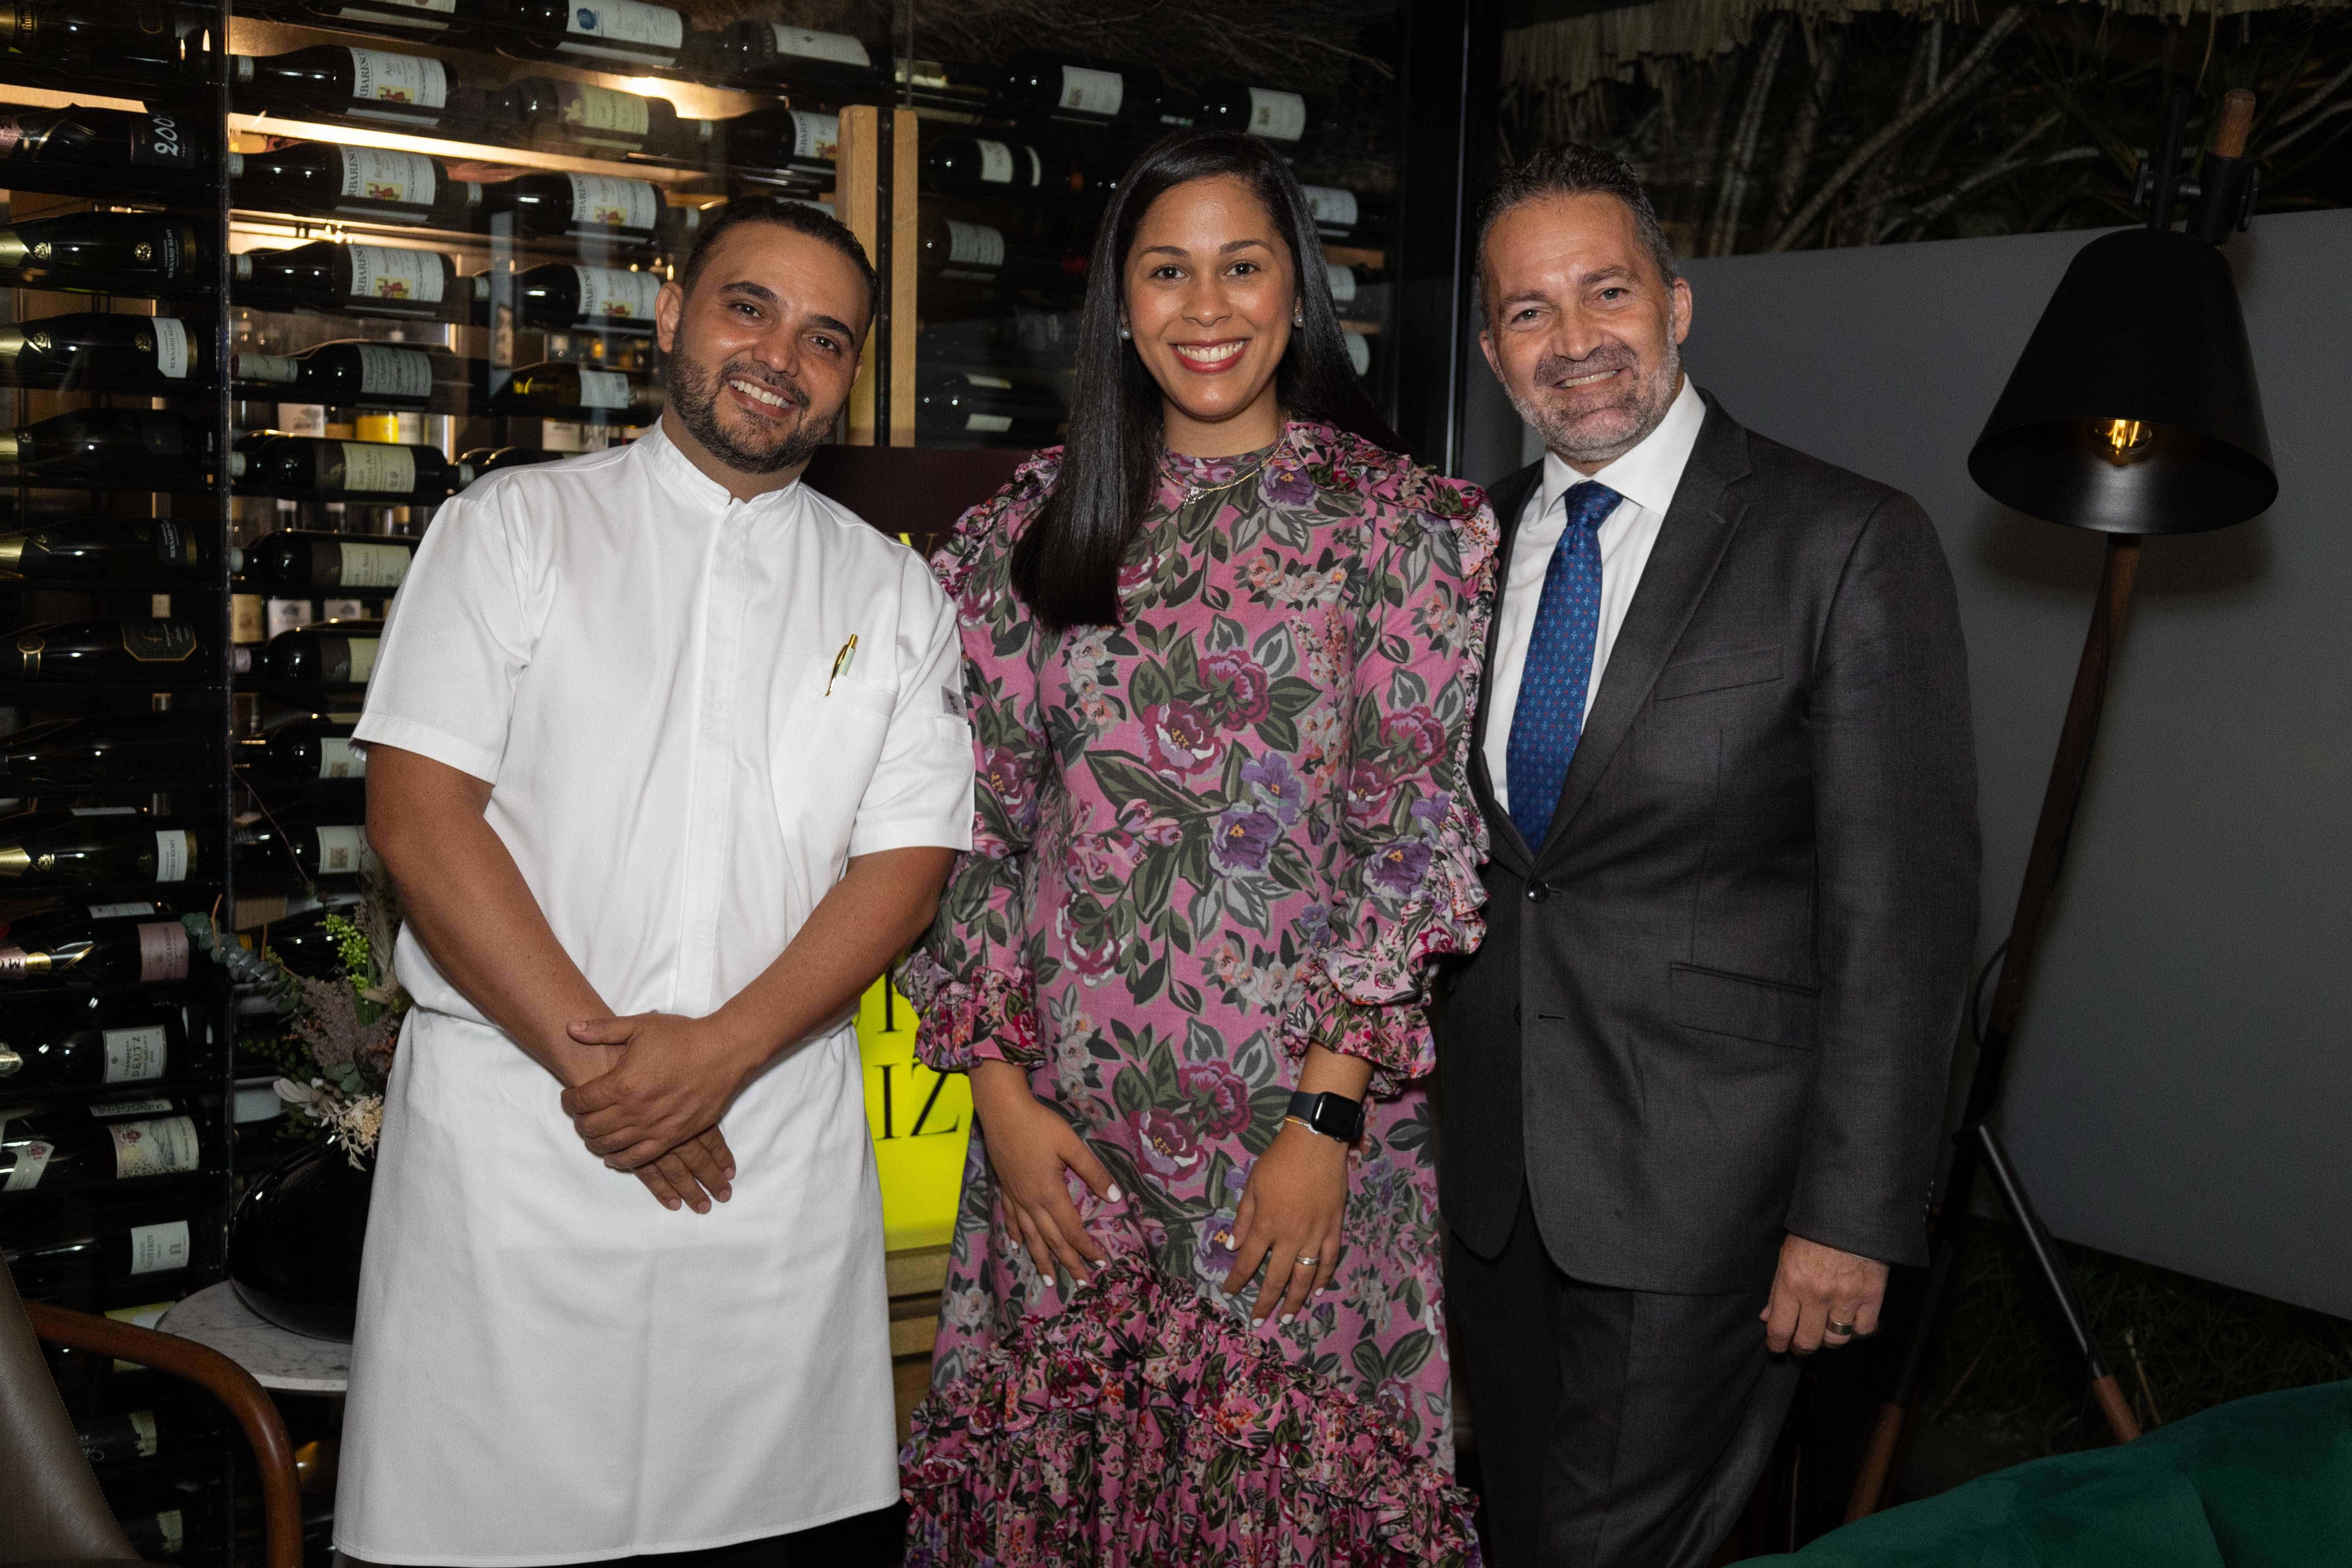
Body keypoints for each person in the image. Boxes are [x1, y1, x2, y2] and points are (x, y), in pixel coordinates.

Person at [335, 198, 975, 1566]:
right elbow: (421, 814)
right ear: (674, 313)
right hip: (518, 1165)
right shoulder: (511, 528)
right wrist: (620, 1074)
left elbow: (907, 869)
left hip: (768, 1179)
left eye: (825, 338)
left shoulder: (897, 595)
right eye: (750, 308)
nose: (780, 357)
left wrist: (721, 1057)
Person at [898, 130, 1497, 1564]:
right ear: (1120, 304)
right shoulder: (1023, 536)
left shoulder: (1402, 531)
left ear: (1299, 295)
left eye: (1243, 267)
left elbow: (1408, 840)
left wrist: (1326, 1119)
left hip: (1298, 1149)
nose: (1207, 307)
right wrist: (998, 1099)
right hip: (1066, 1157)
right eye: (1167, 272)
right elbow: (977, 835)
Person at [1436, 144, 1980, 1567]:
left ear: (1677, 304)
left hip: (1714, 1210)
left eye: (1605, 293)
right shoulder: (1463, 551)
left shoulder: (1846, 542)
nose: (1575, 342)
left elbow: (1902, 921)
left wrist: (1851, 1220)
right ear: (1493, 350)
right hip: (1493, 1194)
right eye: (1529, 313)